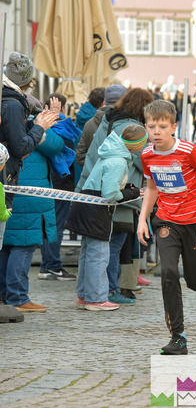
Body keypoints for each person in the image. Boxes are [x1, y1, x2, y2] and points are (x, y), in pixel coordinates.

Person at [136, 100, 196, 355]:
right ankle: (178, 336)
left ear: (173, 127)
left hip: (195, 223)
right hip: (167, 221)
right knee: (169, 271)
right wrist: (142, 219)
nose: (157, 132)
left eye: (162, 126)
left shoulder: (188, 151)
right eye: (152, 126)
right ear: (146, 127)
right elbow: (152, 187)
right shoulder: (147, 154)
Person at [66, 125, 145, 311]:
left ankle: (84, 296)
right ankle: (96, 299)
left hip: (87, 205)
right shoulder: (119, 161)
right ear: (137, 144)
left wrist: (127, 189)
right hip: (97, 211)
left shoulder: (111, 153)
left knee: (88, 254)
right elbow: (110, 193)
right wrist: (132, 193)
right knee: (99, 255)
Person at [0, 95, 67, 313]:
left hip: (11, 190)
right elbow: (56, 145)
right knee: (24, 244)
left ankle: (5, 296)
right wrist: (48, 122)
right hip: (30, 196)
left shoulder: (6, 124)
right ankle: (18, 297)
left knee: (7, 245)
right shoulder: (33, 127)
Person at [0, 52, 57, 250]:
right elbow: (20, 147)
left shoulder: (7, 99)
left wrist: (33, 124)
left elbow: (13, 136)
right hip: (4, 177)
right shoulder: (13, 105)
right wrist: (39, 127)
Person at [38, 94, 83, 282]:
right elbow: (63, 147)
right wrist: (57, 117)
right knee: (54, 226)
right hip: (61, 184)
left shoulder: (37, 125)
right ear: (63, 108)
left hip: (48, 182)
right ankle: (52, 266)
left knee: (49, 225)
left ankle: (46, 265)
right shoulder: (62, 126)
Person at [76, 84, 128, 168]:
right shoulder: (129, 124)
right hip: (122, 175)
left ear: (104, 102)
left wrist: (94, 169)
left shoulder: (89, 123)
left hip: (91, 174)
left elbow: (80, 154)